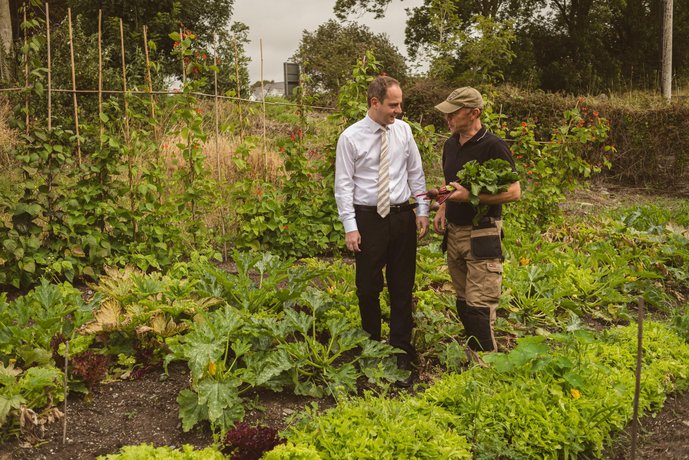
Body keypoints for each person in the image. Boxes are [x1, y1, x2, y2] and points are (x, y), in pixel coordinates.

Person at [334, 75, 429, 385]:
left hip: (402, 216)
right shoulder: (350, 138)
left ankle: (401, 350)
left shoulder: (404, 132)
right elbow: (344, 186)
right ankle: (371, 345)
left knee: (403, 286)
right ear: (374, 103)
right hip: (368, 219)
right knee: (368, 286)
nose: (399, 110)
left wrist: (423, 210)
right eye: (393, 104)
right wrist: (351, 227)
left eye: (400, 104)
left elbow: (416, 173)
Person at [432, 87, 521, 355]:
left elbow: (514, 191)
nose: (448, 120)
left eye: (454, 114)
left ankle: (486, 368)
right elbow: (451, 186)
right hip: (455, 233)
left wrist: (470, 195)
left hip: (482, 233)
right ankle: (474, 357)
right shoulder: (450, 145)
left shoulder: (493, 146)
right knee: (463, 301)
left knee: (480, 305)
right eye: (446, 114)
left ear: (474, 113)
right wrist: (442, 206)